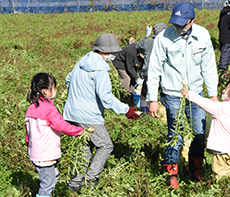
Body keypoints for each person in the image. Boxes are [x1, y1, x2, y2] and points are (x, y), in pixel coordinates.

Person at [147, 3, 219, 189]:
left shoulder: (202, 35)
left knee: (199, 133)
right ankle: (172, 174)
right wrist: (153, 99)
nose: (178, 28)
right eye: (175, 24)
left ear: (192, 21)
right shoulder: (163, 38)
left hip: (196, 93)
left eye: (182, 24)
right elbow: (154, 69)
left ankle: (196, 167)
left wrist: (213, 95)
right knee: (175, 135)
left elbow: (209, 67)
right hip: (172, 94)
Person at [63, 33, 140, 192]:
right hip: (89, 116)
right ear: (107, 52)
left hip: (71, 113)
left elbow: (68, 80)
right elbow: (106, 98)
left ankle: (74, 185)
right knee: (105, 145)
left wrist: (79, 94)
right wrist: (126, 110)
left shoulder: (82, 61)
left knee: (84, 147)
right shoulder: (100, 70)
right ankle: (90, 180)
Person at [25, 73, 84, 197]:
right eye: (53, 88)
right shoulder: (48, 109)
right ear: (46, 91)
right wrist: (79, 130)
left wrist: (29, 146)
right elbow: (61, 125)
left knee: (53, 176)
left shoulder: (31, 107)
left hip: (36, 152)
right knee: (48, 183)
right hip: (45, 154)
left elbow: (28, 133)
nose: (55, 91)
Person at [182, 78, 230, 181]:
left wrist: (189, 95)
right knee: (227, 171)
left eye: (227, 89)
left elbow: (205, 103)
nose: (223, 91)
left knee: (219, 173)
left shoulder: (224, 108)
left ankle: (224, 191)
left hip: (222, 149)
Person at [136, 22, 167, 113]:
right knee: (167, 95)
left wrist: (146, 35)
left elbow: (138, 45)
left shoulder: (148, 43)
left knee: (144, 96)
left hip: (149, 73)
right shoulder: (169, 42)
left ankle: (145, 115)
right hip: (165, 75)